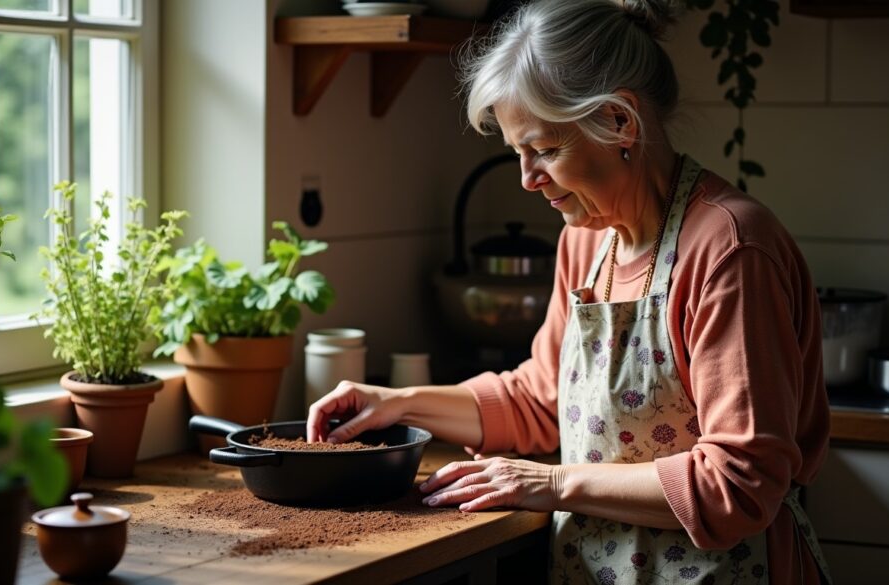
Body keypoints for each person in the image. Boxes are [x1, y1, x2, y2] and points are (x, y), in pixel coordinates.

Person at [307, 0, 833, 583]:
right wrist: (398, 403)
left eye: (545, 150)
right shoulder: (587, 241)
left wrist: (553, 482)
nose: (527, 179)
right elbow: (540, 401)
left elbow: (740, 484)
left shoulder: (730, 249)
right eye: (518, 153)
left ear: (618, 121)